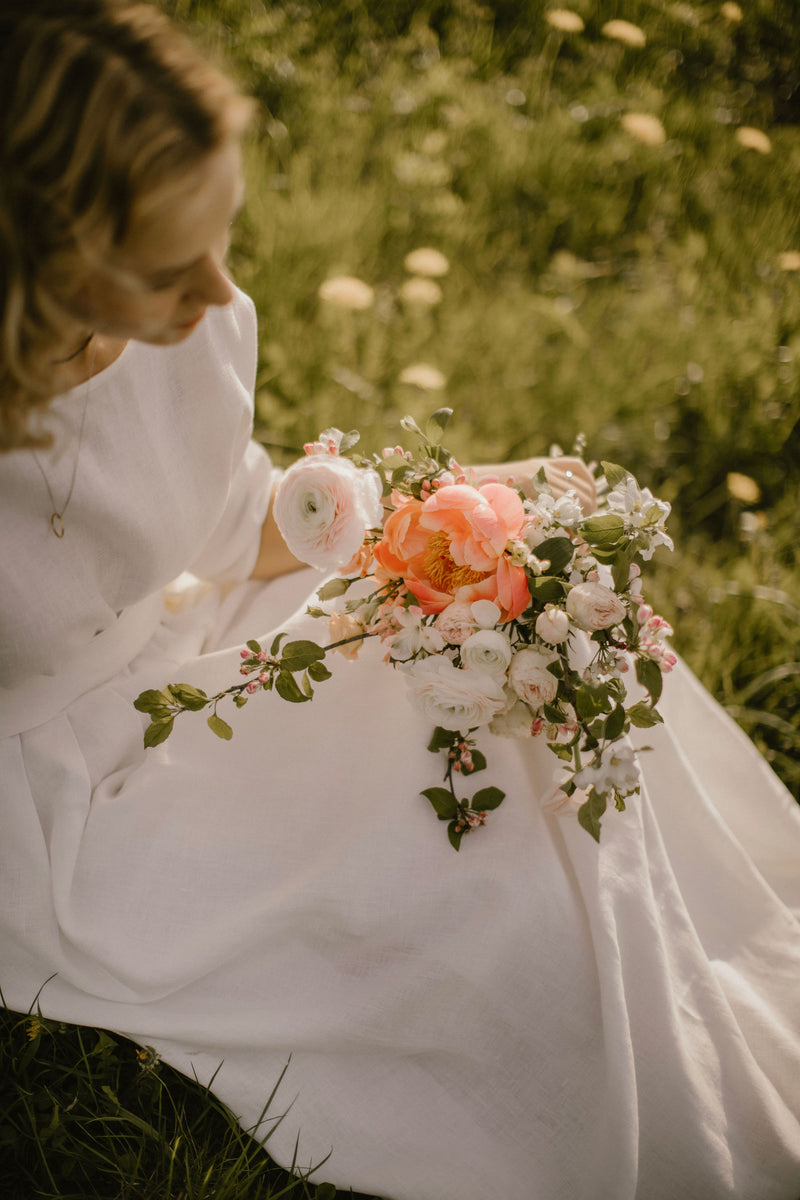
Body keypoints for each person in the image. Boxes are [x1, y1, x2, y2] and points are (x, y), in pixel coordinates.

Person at [1, 3, 799, 1198]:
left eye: (223, 241)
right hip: (57, 789)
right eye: (171, 266)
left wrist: (437, 505)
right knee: (459, 876)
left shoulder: (191, 328)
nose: (217, 294)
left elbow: (227, 523)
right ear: (35, 254)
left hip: (195, 635)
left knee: (512, 693)